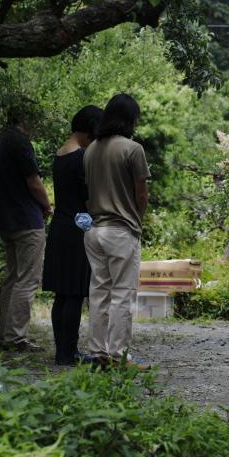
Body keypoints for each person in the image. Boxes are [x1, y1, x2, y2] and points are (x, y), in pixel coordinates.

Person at [82, 93, 150, 369]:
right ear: (130, 119)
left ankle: (97, 352)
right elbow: (141, 194)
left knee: (99, 292)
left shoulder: (91, 150)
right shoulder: (133, 149)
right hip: (121, 230)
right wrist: (137, 218)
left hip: (95, 230)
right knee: (122, 294)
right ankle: (119, 355)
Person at [42, 105, 103, 366]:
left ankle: (62, 350)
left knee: (62, 293)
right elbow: (89, 199)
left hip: (60, 225)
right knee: (75, 292)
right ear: (90, 129)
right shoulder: (81, 158)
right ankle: (69, 352)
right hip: (78, 227)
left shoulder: (60, 154)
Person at [0, 103, 53, 351]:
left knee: (12, 278)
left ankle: (4, 333)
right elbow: (33, 181)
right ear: (24, 118)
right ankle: (16, 337)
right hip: (26, 219)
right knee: (27, 280)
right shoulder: (20, 142)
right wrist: (47, 205)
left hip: (5, 219)